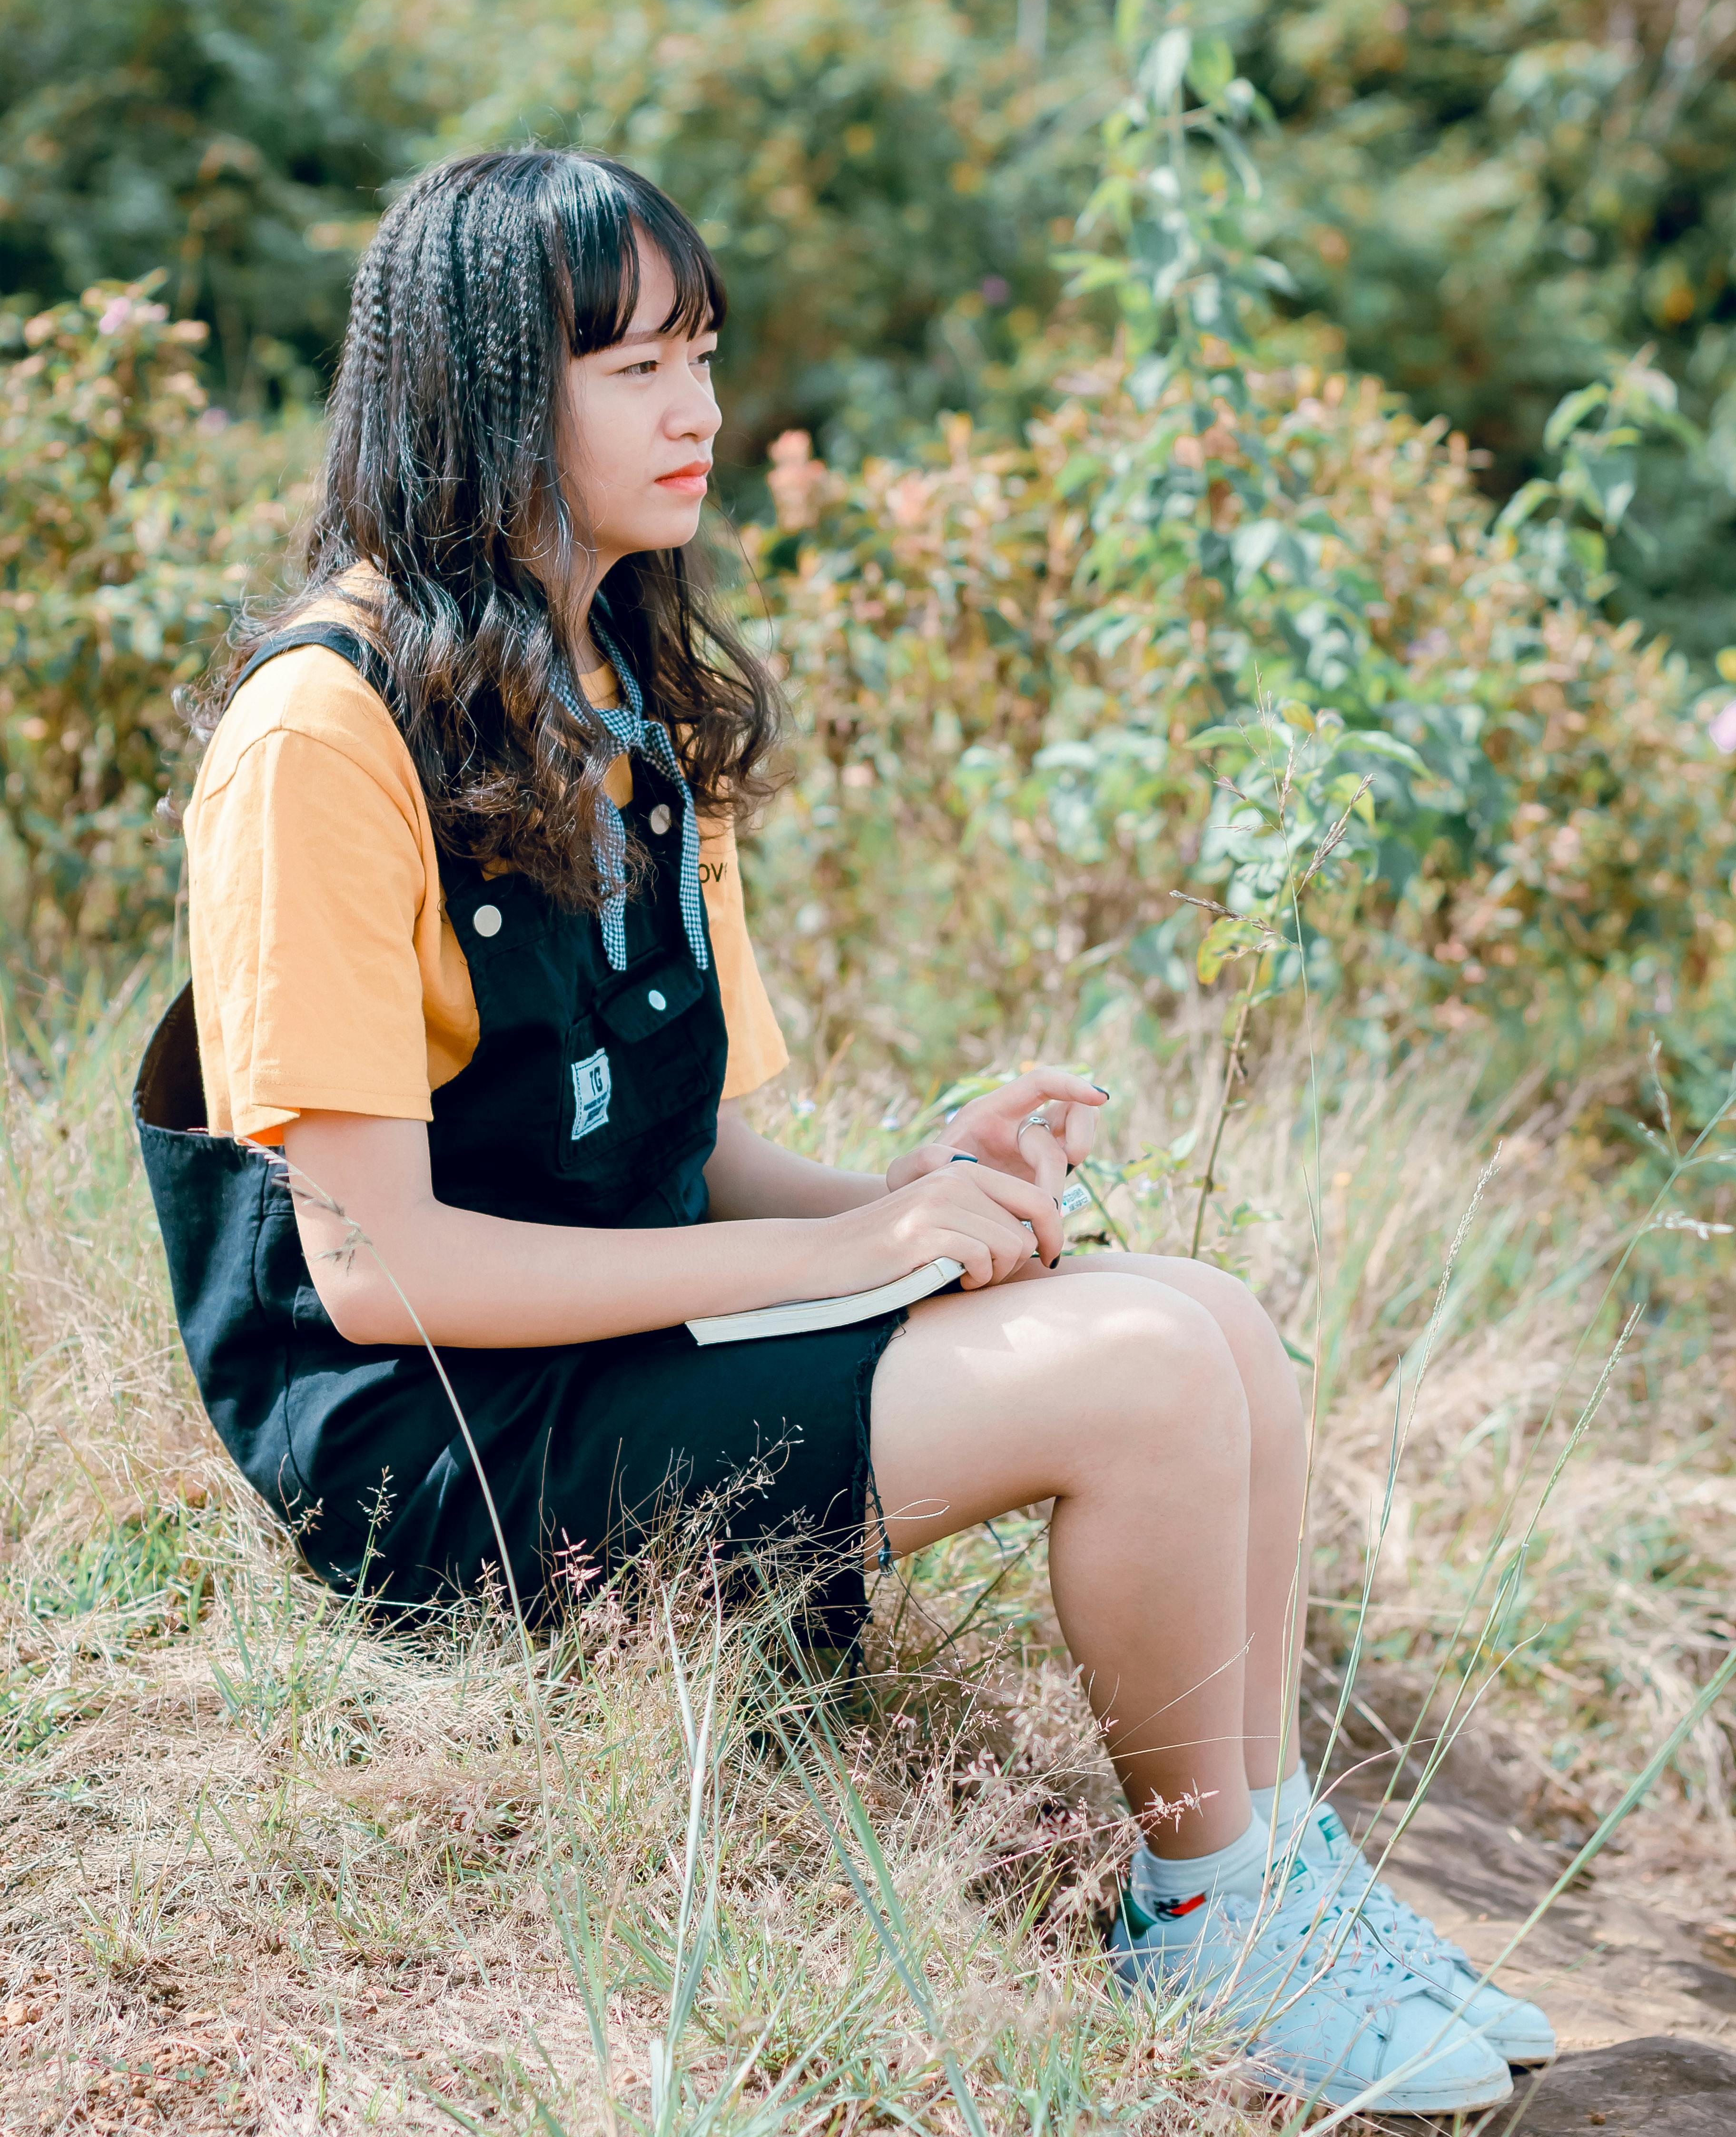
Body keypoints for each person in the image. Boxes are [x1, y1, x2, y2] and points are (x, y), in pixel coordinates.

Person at [135, 148, 1549, 2112]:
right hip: (443, 1459)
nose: (698, 407)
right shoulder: (324, 730)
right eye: (627, 365)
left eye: (702, 349)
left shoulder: (619, 683)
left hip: (608, 1363)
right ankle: (1206, 1915)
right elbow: (378, 1275)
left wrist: (920, 1192)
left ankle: (1275, 1870)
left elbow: (685, 1154)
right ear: (475, 388)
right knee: (1138, 1376)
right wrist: (839, 1261)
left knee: (1210, 1319)